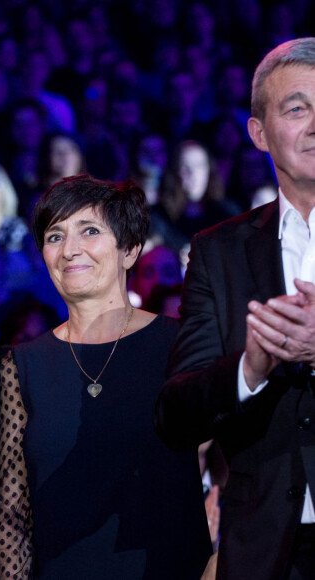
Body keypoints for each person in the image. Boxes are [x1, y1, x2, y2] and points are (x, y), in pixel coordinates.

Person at [0, 174, 212, 579]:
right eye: (54, 236)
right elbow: (14, 516)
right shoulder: (21, 365)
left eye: (89, 231)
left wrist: (219, 564)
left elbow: (240, 467)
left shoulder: (181, 345)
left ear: (129, 249)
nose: (69, 250)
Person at [155, 38, 315, 579]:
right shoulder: (217, 251)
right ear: (259, 132)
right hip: (265, 551)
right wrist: (252, 368)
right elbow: (176, 415)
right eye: (298, 109)